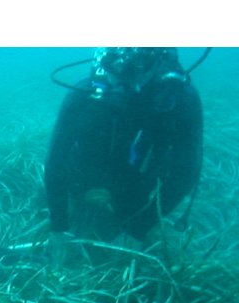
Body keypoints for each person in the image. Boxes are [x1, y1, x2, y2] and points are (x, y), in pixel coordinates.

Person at [44, 47, 203, 264]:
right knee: (70, 231)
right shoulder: (84, 94)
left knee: (132, 251)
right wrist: (58, 226)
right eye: (116, 66)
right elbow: (56, 161)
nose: (125, 79)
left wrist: (138, 230)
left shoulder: (178, 100)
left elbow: (185, 171)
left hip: (135, 189)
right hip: (80, 181)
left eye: (139, 66)